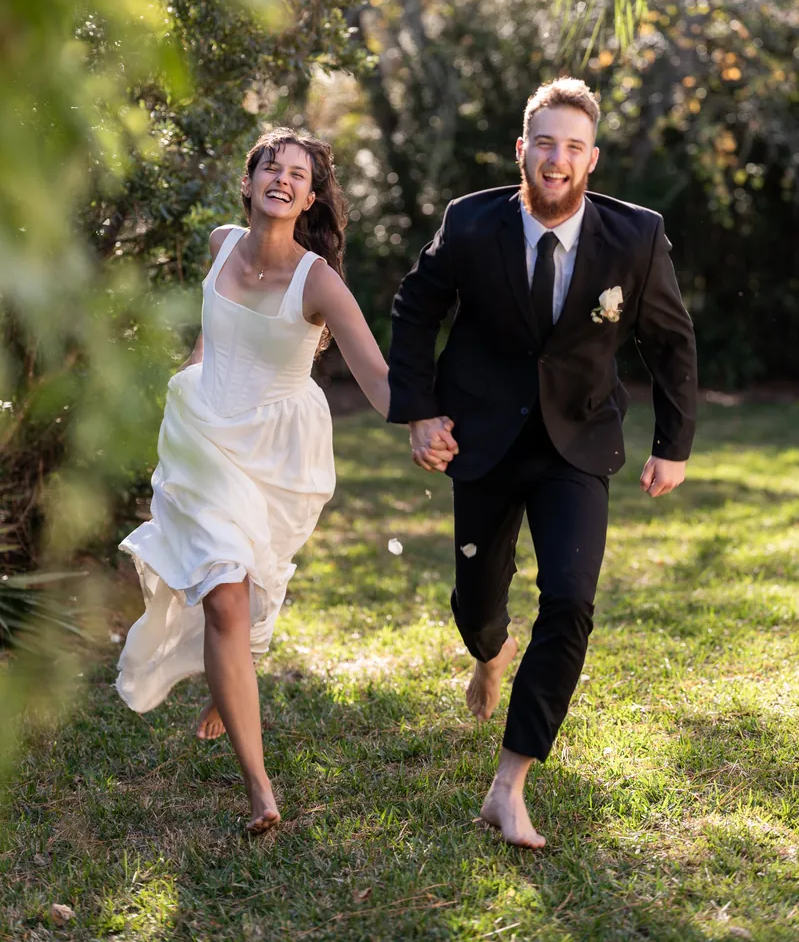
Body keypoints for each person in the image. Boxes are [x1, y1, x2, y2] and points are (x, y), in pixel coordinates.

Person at [387, 77, 697, 849]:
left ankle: (509, 782)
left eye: (574, 146)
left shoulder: (637, 235)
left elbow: (671, 340)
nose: (558, 159)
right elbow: (414, 307)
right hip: (482, 439)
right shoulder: (469, 222)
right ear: (522, 150)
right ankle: (490, 653)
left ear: (592, 158)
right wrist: (421, 412)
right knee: (477, 604)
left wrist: (673, 442)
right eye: (545, 143)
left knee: (569, 599)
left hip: (578, 444)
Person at [116, 129, 389, 833]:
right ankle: (260, 788)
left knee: (253, 587)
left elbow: (382, 382)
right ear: (249, 181)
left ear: (310, 197)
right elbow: (214, 327)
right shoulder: (219, 242)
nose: (283, 177)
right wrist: (193, 367)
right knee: (225, 598)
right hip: (205, 436)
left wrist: (438, 418)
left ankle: (225, 676)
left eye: (299, 173)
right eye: (271, 164)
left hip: (278, 448)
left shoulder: (318, 279)